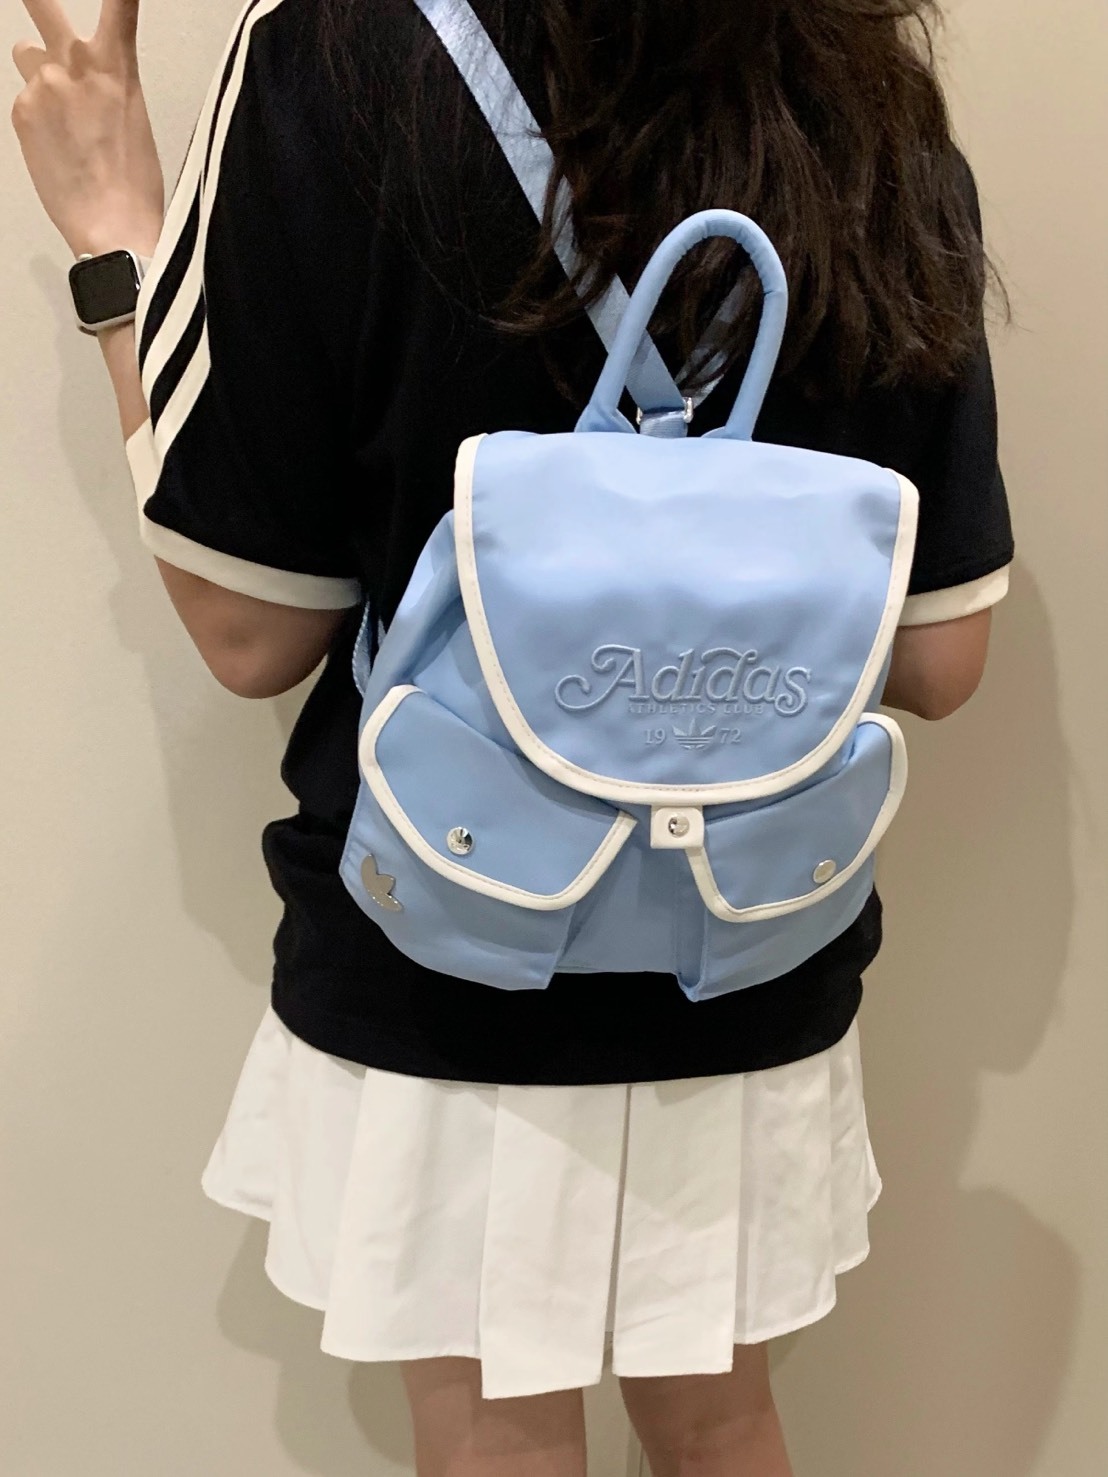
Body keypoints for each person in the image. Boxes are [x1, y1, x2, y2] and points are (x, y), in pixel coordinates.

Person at [11, 0, 1013, 1471]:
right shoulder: (856, 77)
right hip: (747, 935)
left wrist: (117, 236)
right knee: (721, 1418)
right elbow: (939, 655)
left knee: (496, 1435)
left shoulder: (328, 47)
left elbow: (248, 632)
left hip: (453, 932)